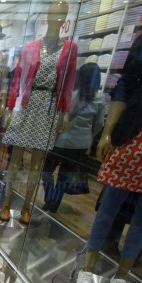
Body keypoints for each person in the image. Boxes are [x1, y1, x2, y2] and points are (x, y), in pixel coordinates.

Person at [41, 63, 105, 213]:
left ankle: (49, 198)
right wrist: (89, 137)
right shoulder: (100, 97)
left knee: (47, 170)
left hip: (60, 140)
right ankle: (54, 203)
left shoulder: (72, 94)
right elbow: (99, 123)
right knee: (65, 175)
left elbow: (59, 118)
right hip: (80, 143)